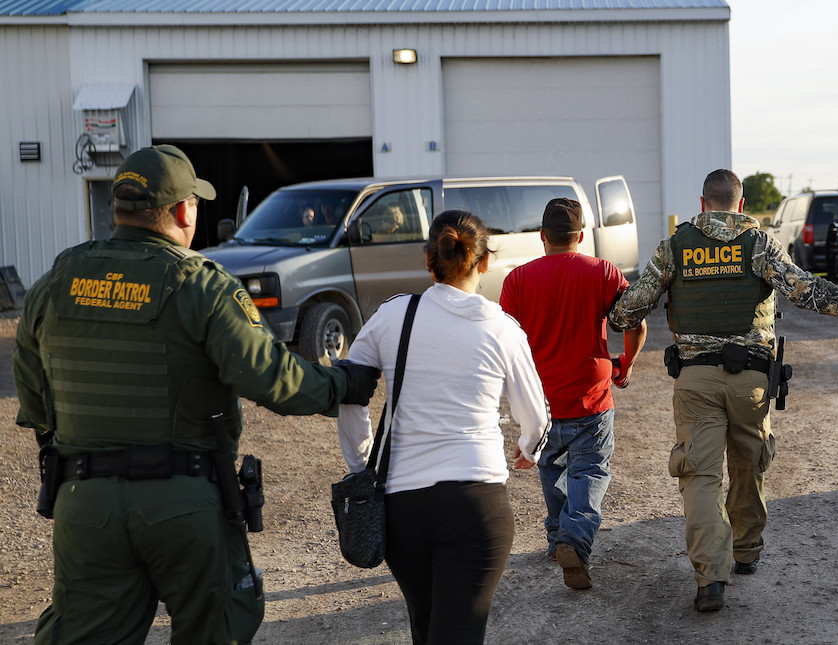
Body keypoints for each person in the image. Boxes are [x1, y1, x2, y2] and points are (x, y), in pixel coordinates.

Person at [12, 144, 380, 645]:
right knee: (216, 629)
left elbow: (32, 392)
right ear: (184, 210)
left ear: (118, 209)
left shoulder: (58, 278)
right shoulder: (201, 285)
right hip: (183, 500)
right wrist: (345, 383)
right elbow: (272, 378)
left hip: (83, 502)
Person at [608, 169, 838, 613]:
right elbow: (807, 292)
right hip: (751, 380)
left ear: (702, 200)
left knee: (700, 474)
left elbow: (628, 310)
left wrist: (612, 311)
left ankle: (710, 578)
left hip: (695, 380)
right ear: (741, 200)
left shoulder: (675, 246)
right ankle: (747, 550)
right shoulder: (760, 243)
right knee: (750, 460)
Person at [336, 209, 549, 645]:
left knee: (426, 627)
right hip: (478, 503)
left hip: (404, 506)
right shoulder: (504, 329)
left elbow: (349, 389)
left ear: (427, 258)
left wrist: (361, 462)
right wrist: (529, 449)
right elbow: (537, 418)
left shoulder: (393, 316)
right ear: (485, 262)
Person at [499, 197, 647, 590]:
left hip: (541, 403)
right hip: (591, 398)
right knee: (589, 470)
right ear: (581, 236)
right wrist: (626, 365)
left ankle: (557, 538)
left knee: (551, 469)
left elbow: (503, 343)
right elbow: (636, 325)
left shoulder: (517, 280)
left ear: (542, 237)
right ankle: (574, 540)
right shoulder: (603, 272)